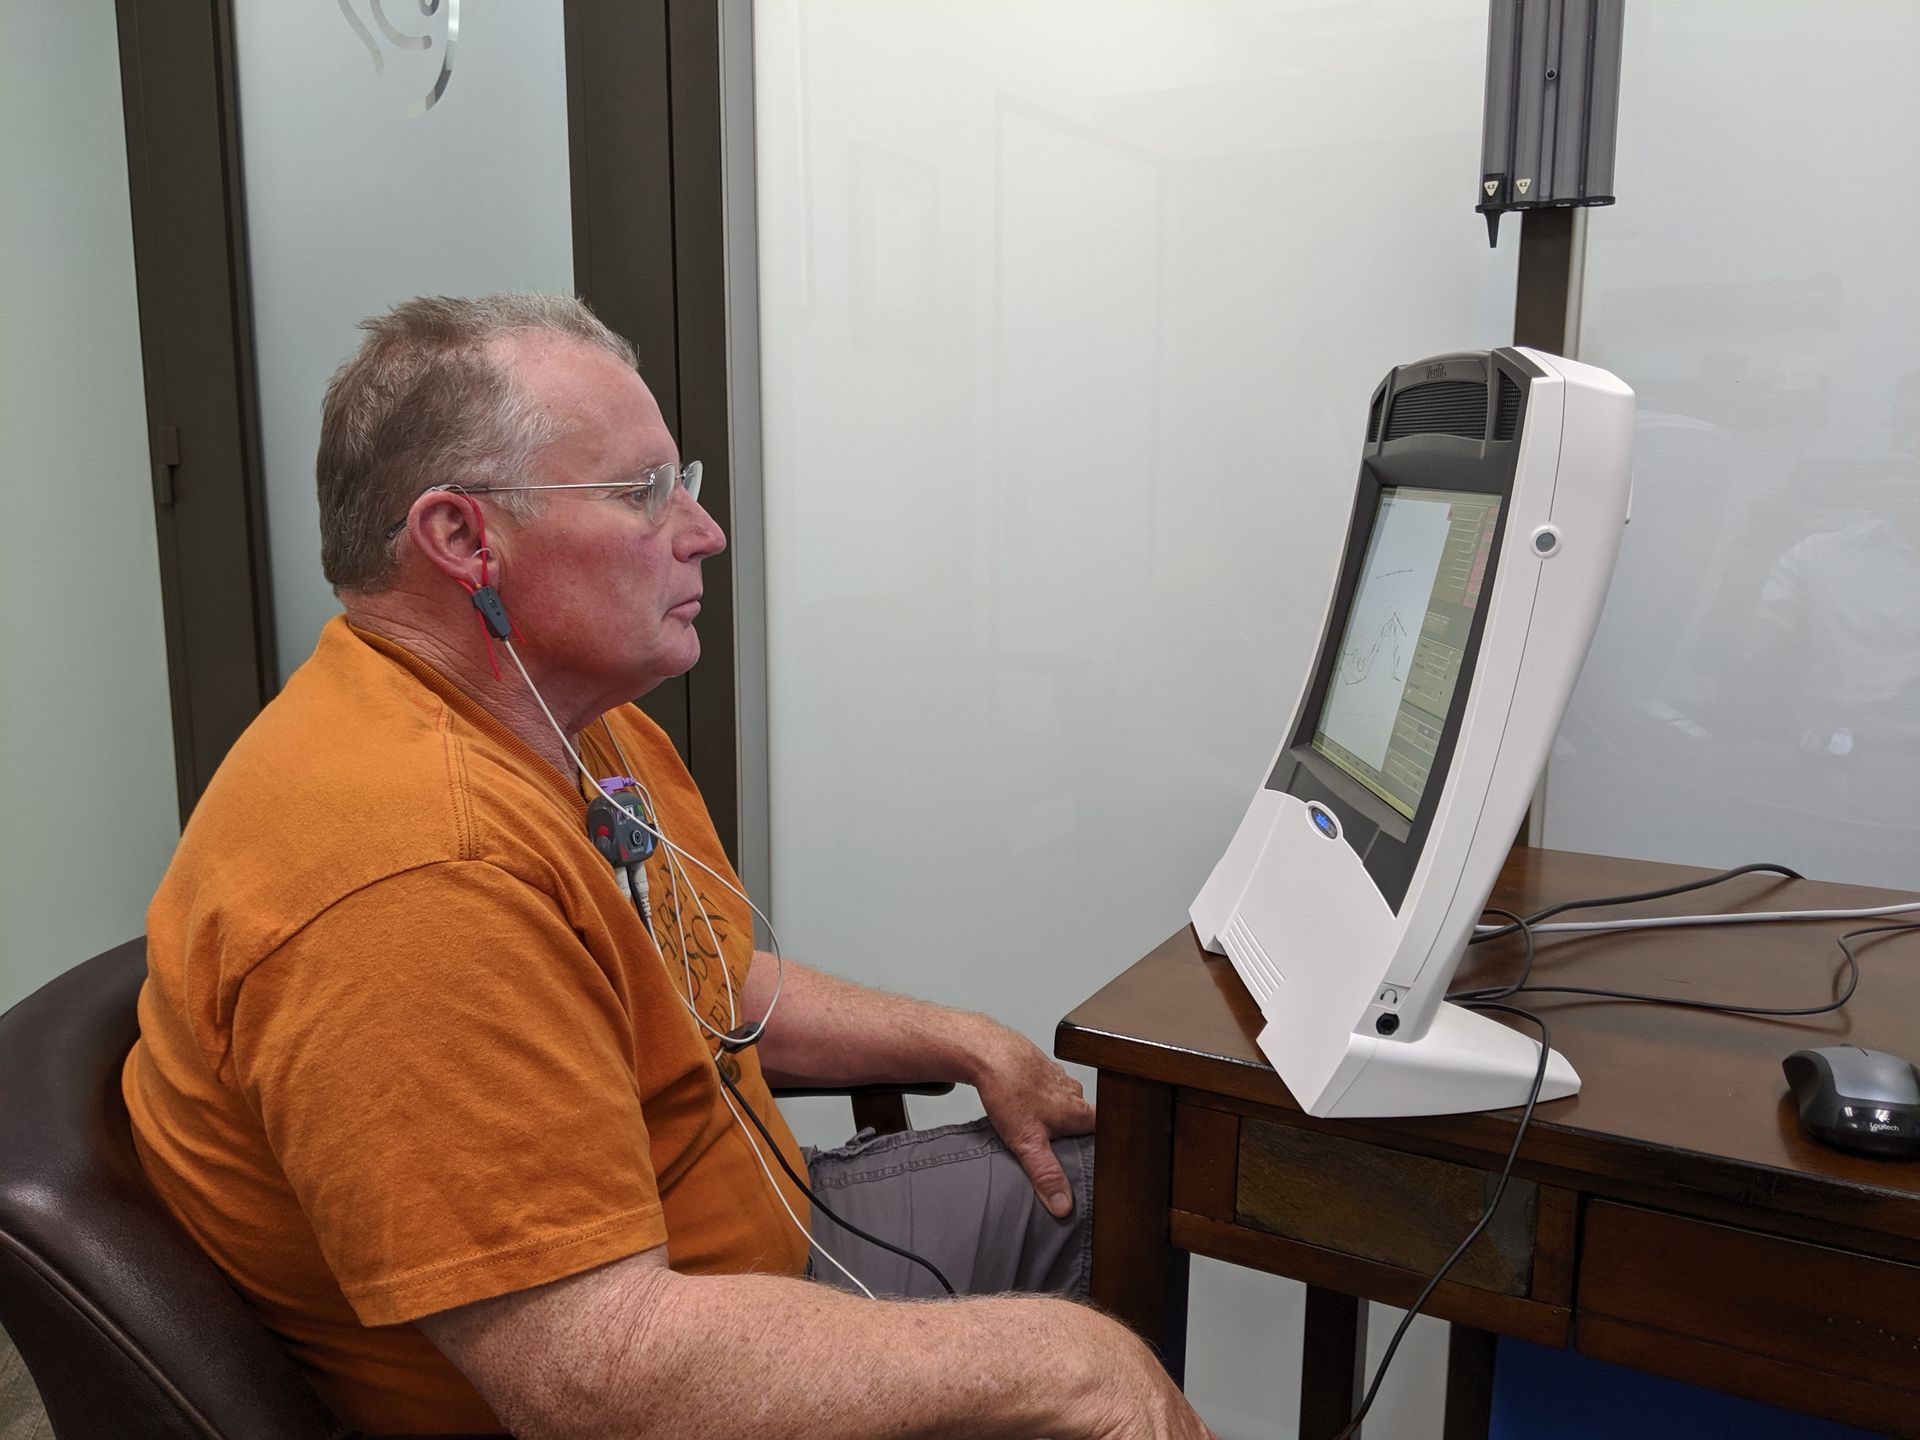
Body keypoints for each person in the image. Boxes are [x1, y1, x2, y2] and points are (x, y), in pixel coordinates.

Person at [123, 293, 1214, 1439]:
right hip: (648, 1357)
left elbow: (704, 987)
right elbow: (591, 1378)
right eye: (643, 492)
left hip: (744, 1245)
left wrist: (961, 1037)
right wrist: (1068, 1365)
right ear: (462, 540)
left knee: (1122, 1186)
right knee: (1091, 1365)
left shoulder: (568, 719)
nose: (703, 530)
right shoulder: (413, 877)